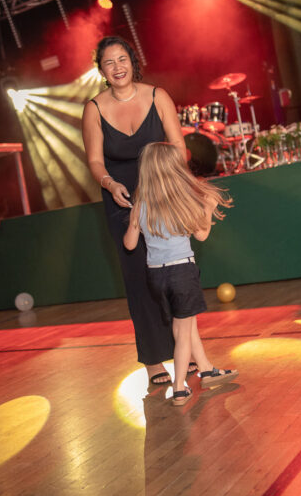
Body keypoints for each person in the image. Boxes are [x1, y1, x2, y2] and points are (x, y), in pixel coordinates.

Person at [82, 36, 190, 386]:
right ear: (101, 71)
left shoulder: (158, 96)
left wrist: (165, 183)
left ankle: (185, 351)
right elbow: (95, 161)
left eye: (122, 59)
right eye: (109, 62)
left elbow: (179, 147)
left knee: (173, 275)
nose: (117, 67)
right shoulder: (94, 109)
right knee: (138, 278)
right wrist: (109, 184)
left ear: (132, 61)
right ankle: (154, 361)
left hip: (162, 193)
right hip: (122, 199)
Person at [123, 142, 238, 406]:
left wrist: (134, 222)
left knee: (186, 322)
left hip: (156, 276)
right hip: (182, 272)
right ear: (175, 169)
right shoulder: (181, 201)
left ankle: (206, 370)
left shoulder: (140, 205)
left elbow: (129, 244)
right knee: (182, 331)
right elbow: (202, 234)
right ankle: (179, 387)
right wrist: (208, 208)